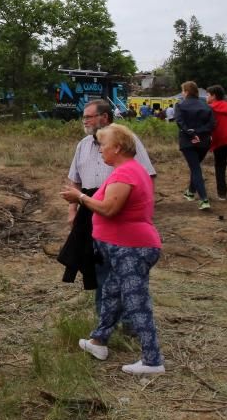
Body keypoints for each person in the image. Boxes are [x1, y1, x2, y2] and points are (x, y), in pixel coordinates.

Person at [61, 124, 165, 375]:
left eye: (104, 146)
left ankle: (152, 360)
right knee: (111, 295)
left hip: (131, 248)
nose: (100, 152)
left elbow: (109, 209)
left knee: (136, 302)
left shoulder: (125, 173)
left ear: (117, 147)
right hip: (124, 247)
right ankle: (99, 342)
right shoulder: (126, 170)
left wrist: (80, 198)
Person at [59, 100, 156, 316]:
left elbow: (147, 176)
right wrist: (72, 211)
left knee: (121, 266)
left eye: (89, 117)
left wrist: (145, 211)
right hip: (88, 206)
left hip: (117, 207)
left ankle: (126, 320)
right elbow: (75, 180)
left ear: (104, 117)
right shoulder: (83, 145)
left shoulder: (127, 141)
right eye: (84, 117)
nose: (85, 121)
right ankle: (105, 318)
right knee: (94, 263)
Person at [176, 81, 216, 210]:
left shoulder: (180, 105)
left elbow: (180, 123)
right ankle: (190, 192)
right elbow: (212, 125)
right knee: (196, 167)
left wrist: (191, 133)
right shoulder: (206, 106)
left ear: (186, 92)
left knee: (195, 169)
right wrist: (199, 133)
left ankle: (204, 199)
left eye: (182, 91)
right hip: (204, 142)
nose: (182, 93)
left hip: (188, 141)